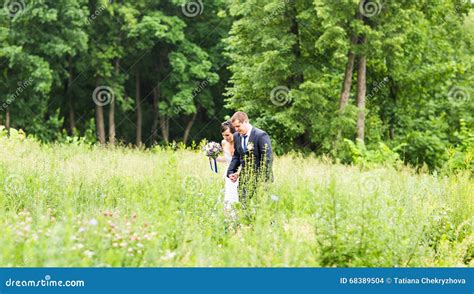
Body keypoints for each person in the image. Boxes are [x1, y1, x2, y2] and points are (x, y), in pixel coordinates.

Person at [226, 111, 273, 205]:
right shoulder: (236, 136)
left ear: (245, 122)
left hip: (260, 179)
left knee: (262, 207)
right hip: (245, 178)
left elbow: (267, 158)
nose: (236, 129)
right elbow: (236, 155)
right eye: (234, 127)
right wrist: (231, 171)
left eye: (238, 126)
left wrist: (263, 179)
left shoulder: (260, 135)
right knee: (244, 205)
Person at [216, 120, 239, 216]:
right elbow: (226, 159)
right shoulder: (224, 143)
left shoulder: (240, 142)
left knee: (238, 196)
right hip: (229, 174)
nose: (226, 138)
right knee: (229, 197)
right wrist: (214, 158)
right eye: (223, 135)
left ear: (234, 132)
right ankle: (230, 217)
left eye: (228, 135)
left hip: (239, 173)